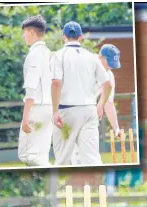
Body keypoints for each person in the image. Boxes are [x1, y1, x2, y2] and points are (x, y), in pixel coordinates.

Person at [51, 21, 111, 166]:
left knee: (63, 157)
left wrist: (54, 112)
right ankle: (101, 187)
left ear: (63, 36)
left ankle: (60, 187)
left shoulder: (57, 56)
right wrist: (101, 104)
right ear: (81, 37)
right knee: (91, 157)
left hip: (66, 110)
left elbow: (56, 83)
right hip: (89, 110)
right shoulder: (92, 57)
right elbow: (107, 84)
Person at [71, 44, 124, 167]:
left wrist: (116, 128)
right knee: (75, 155)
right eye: (108, 63)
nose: (109, 67)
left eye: (112, 65)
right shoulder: (85, 63)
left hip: (87, 114)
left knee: (89, 154)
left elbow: (109, 103)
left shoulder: (109, 76)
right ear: (101, 57)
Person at [18, 15, 54, 167]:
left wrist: (26, 117)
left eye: (25, 32)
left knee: (27, 156)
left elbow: (31, 89)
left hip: (37, 108)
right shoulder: (50, 54)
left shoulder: (33, 55)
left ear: (31, 32)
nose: (23, 36)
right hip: (50, 108)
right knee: (41, 155)